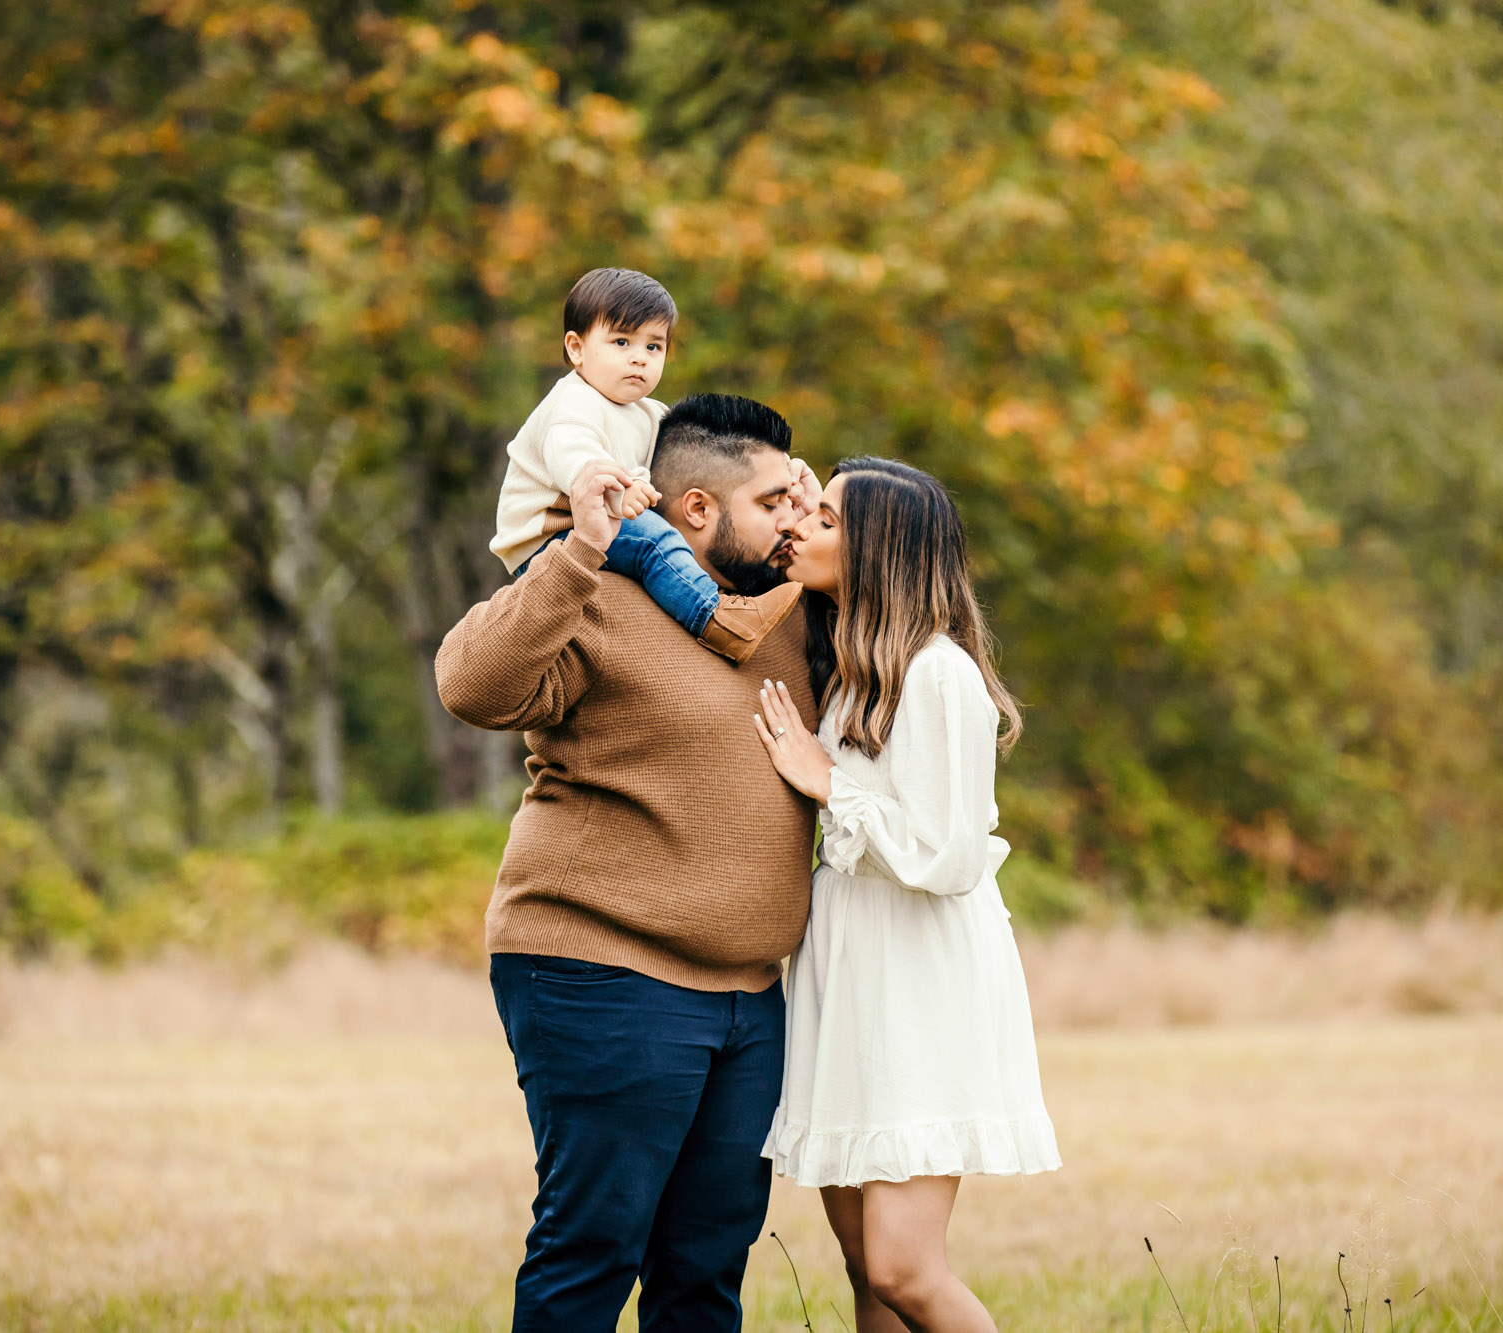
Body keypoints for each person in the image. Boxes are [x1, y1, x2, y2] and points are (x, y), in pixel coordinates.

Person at [436, 393, 823, 1333]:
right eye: (775, 500)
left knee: (706, 1264)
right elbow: (469, 684)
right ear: (696, 508)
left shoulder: (790, 611)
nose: (794, 518)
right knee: (594, 1244)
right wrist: (577, 553)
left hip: (748, 995)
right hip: (602, 969)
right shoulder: (600, 590)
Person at [752, 457, 1060, 1333]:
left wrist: (824, 784)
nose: (803, 526)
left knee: (903, 1265)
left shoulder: (937, 674)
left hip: (918, 977)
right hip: (851, 970)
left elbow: (949, 853)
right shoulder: (852, 666)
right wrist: (795, 491)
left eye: (826, 518)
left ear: (880, 549)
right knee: (863, 1265)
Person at [489, 266, 806, 665]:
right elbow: (580, 464)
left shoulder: (647, 412)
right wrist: (622, 491)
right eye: (621, 342)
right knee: (654, 539)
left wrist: (778, 477)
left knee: (653, 532)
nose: (639, 358)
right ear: (577, 348)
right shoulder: (571, 406)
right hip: (547, 538)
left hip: (596, 523)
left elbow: (697, 454)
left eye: (653, 347)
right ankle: (716, 619)